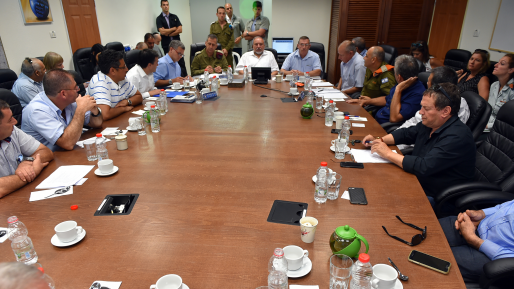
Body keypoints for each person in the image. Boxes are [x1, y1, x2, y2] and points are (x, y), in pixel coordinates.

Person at [362, 83, 475, 198]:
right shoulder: (432, 123)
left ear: (445, 111)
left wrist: (387, 153)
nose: (420, 112)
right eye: (422, 107)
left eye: (426, 108)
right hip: (415, 180)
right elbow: (406, 133)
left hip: (434, 196)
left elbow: (424, 166)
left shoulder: (457, 137)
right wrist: (379, 140)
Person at [22, 69, 103, 151]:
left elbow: (97, 124)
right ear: (63, 93)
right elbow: (67, 143)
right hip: (48, 159)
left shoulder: (69, 101)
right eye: (75, 87)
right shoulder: (37, 111)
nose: (78, 89)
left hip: (66, 153)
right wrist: (81, 110)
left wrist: (94, 110)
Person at [439, 200, 514, 282]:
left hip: (495, 255)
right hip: (480, 223)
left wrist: (474, 240)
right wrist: (482, 213)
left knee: (434, 260)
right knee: (429, 232)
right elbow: (508, 205)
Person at [0, 100, 53, 198]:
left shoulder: (13, 131)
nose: (15, 122)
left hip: (20, 195)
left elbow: (45, 151)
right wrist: (34, 171)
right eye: (9, 120)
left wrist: (27, 162)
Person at [395, 66, 470, 133]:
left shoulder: (453, 106)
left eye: (429, 81)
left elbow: (420, 129)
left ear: (436, 87)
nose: (427, 83)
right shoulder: (434, 98)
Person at [365, 55, 425, 124]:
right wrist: (368, 101)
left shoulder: (417, 95)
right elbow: (387, 99)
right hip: (376, 120)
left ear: (399, 77)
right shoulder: (403, 82)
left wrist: (398, 90)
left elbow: (394, 118)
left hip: (385, 128)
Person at [87, 50, 142, 121]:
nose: (127, 69)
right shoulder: (100, 83)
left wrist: (127, 102)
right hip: (101, 127)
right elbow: (104, 114)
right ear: (113, 71)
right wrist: (123, 108)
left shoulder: (122, 78)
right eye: (124, 67)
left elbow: (139, 96)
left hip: (118, 119)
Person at [483, 54, 514, 135]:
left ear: (510, 70)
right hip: (485, 125)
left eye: (502, 63)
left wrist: (487, 126)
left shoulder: (512, 90)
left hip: (500, 132)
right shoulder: (495, 85)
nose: (496, 65)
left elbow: (508, 121)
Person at [156, 0, 185, 76]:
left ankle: (185, 79)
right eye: (164, 5)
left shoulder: (174, 16)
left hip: (177, 45)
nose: (166, 6)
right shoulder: (159, 19)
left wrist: (168, 33)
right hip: (167, 46)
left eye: (167, 4)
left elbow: (180, 29)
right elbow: (162, 32)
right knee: (170, 64)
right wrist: (173, 28)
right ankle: (173, 81)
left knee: (181, 63)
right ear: (161, 6)